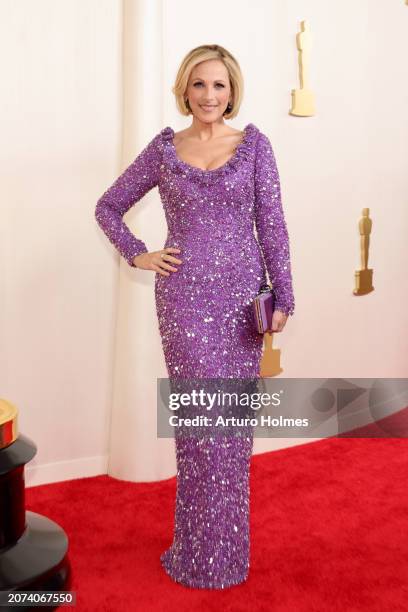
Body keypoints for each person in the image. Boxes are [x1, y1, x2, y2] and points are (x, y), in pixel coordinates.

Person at [95, 43, 295, 589]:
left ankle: (225, 555)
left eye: (220, 85)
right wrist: (138, 251)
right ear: (185, 89)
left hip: (240, 302)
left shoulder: (255, 147)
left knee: (229, 429)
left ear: (233, 91)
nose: (210, 95)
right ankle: (195, 555)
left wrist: (285, 296)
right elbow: (108, 205)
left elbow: (272, 226)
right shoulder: (164, 150)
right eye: (201, 84)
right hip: (182, 301)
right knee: (199, 428)